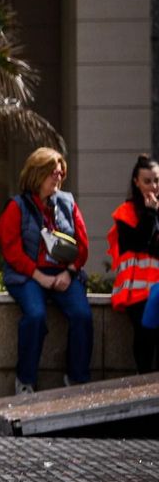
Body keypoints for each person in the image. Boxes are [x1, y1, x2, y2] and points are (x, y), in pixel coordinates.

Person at [0, 147, 92, 392]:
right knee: (36, 316)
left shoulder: (68, 203)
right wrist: (39, 276)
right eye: (53, 173)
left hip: (63, 273)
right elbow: (12, 251)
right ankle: (25, 381)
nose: (58, 178)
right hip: (27, 274)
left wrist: (69, 272)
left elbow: (82, 245)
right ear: (38, 174)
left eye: (61, 173)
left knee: (82, 315)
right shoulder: (16, 206)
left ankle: (77, 379)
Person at [109, 155, 159, 374]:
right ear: (136, 182)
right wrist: (150, 214)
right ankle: (143, 382)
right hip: (136, 291)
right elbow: (139, 243)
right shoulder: (125, 213)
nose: (153, 186)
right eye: (147, 181)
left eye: (157, 181)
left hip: (156, 288)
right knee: (144, 337)